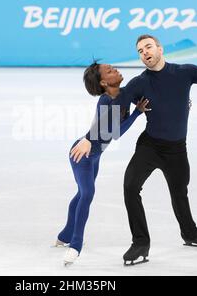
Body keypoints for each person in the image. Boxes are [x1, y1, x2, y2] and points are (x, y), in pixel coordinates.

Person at [70, 34, 197, 266]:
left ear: (159, 48)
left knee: (179, 191)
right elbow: (111, 108)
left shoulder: (185, 72)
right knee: (130, 187)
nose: (144, 53)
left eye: (148, 47)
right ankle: (140, 242)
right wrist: (89, 138)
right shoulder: (139, 83)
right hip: (149, 146)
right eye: (140, 51)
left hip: (177, 149)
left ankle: (190, 234)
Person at [55, 62, 150, 266]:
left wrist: (137, 110)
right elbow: (113, 133)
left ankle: (63, 235)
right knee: (87, 194)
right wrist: (136, 113)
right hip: (82, 153)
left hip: (95, 155)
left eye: (113, 67)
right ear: (104, 82)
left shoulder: (123, 94)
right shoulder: (106, 101)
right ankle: (75, 245)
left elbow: (116, 131)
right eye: (109, 71)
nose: (115, 69)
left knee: (81, 193)